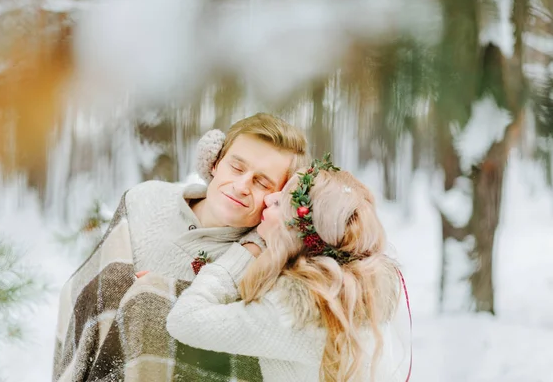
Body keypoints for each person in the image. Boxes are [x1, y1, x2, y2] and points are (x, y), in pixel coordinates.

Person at [52, 113, 309, 381]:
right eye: (236, 167)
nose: (242, 186)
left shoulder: (269, 266)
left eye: (262, 182)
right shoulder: (144, 202)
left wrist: (160, 295)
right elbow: (85, 299)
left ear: (282, 196)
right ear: (215, 163)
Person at [165, 154, 412, 382]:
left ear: (300, 230)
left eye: (282, 202)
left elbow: (184, 321)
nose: (269, 199)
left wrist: (245, 251)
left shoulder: (296, 312)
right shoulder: (351, 292)